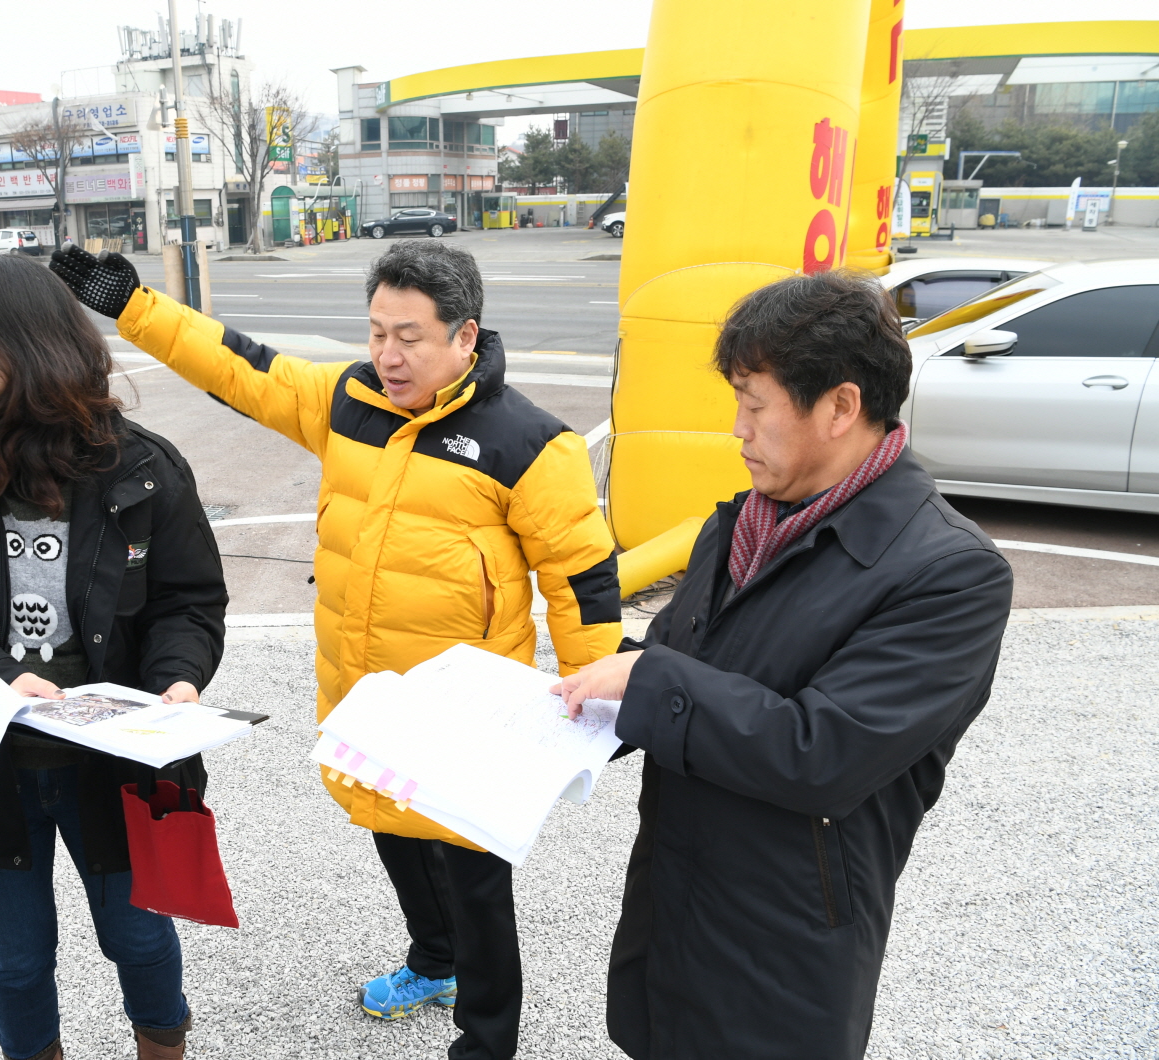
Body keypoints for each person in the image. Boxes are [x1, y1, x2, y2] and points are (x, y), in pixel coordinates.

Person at [50, 240, 622, 1060]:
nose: (388, 355)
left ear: (466, 337)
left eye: (411, 337)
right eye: (377, 332)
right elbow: (241, 367)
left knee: (474, 879)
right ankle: (433, 960)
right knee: (390, 826)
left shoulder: (530, 443)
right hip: (368, 692)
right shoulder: (347, 399)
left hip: (466, 709)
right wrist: (135, 305)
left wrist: (598, 694)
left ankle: (486, 1041)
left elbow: (582, 577)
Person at [555, 270, 1015, 1059]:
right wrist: (565, 704)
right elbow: (675, 665)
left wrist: (648, 682)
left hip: (791, 937)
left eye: (754, 404)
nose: (736, 429)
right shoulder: (739, 527)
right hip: (675, 903)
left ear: (840, 406)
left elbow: (823, 752)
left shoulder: (950, 573)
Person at [0, 252, 228, 1060]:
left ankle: (162, 1045)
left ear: (16, 349)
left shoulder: (144, 467)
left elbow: (187, 601)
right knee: (17, 959)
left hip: (120, 763)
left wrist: (177, 679)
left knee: (139, 937)